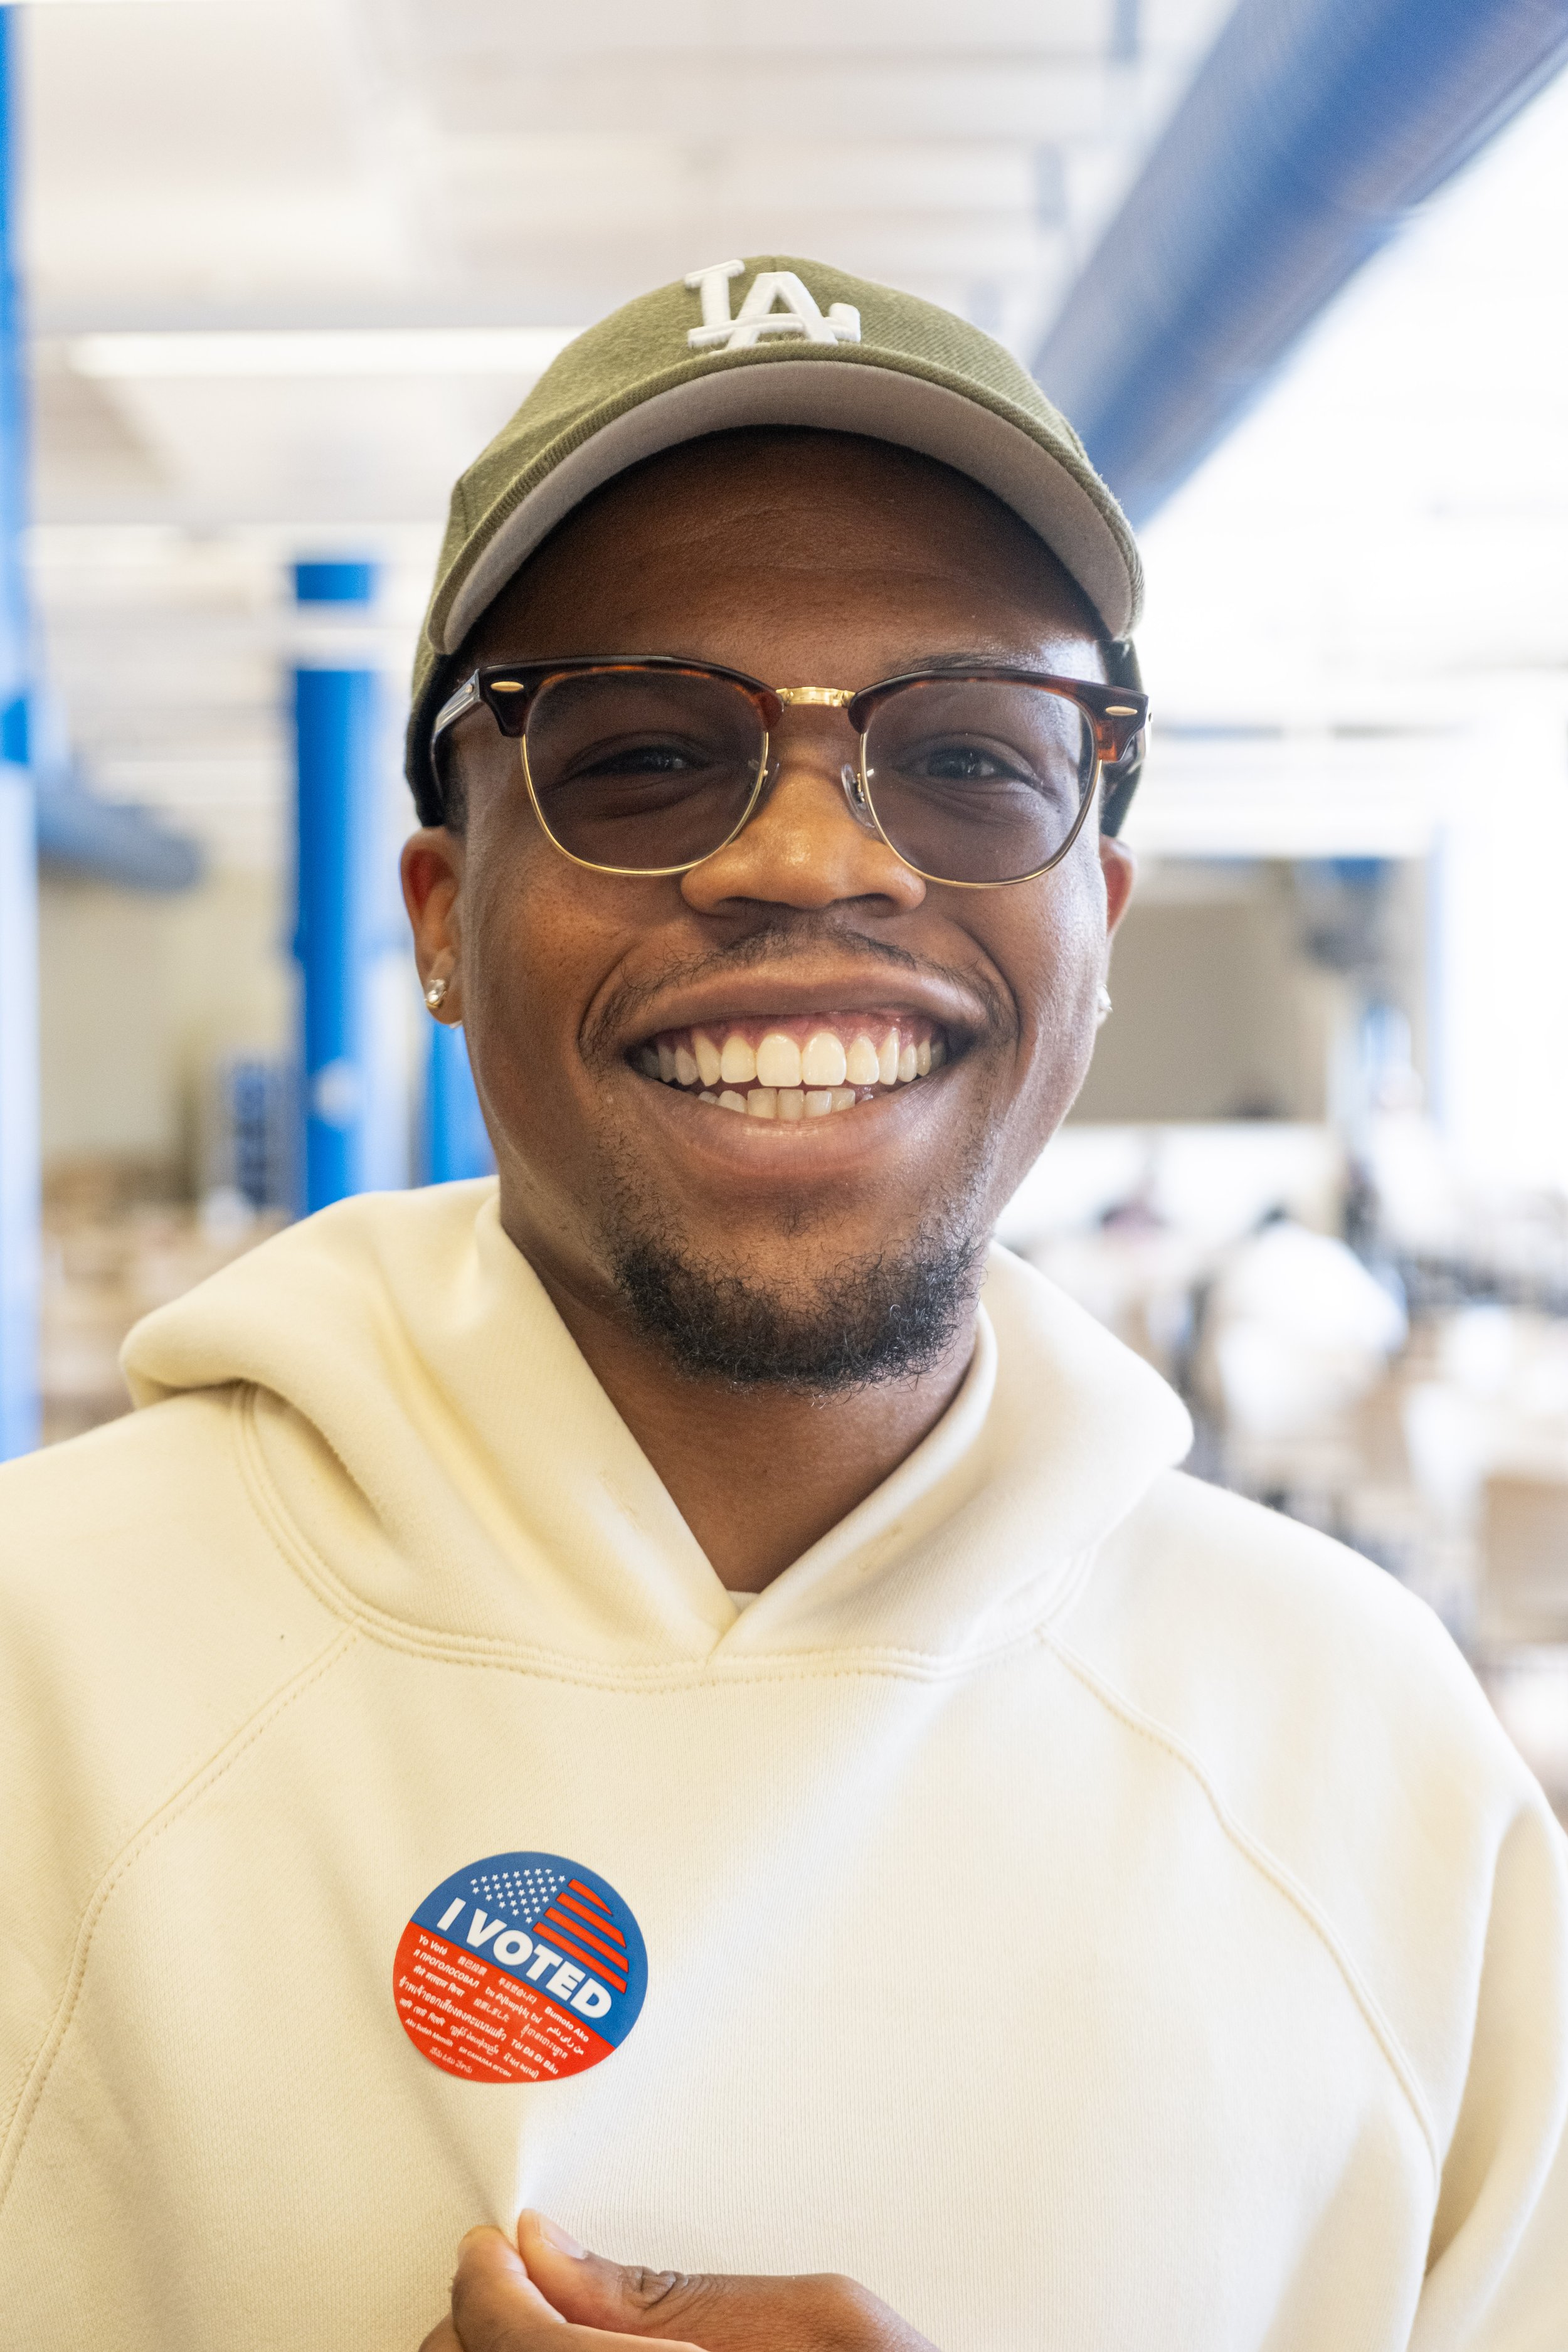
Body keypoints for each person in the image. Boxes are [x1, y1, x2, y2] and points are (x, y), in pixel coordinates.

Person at [1, 258, 1563, 2352]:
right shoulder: (46, 1690)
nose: (811, 857)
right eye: (642, 759)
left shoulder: (1362, 1756)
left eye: (970, 760)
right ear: (444, 919)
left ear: (1092, 911)